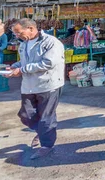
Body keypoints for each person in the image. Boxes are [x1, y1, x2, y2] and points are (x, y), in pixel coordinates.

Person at [5, 18, 65, 160]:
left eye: (19, 33)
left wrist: (22, 69)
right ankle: (41, 132)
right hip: (29, 86)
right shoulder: (23, 44)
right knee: (26, 115)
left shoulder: (51, 42)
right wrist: (15, 66)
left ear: (31, 28)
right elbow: (25, 61)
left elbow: (48, 63)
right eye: (15, 34)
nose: (17, 36)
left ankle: (47, 146)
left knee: (46, 117)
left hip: (48, 85)